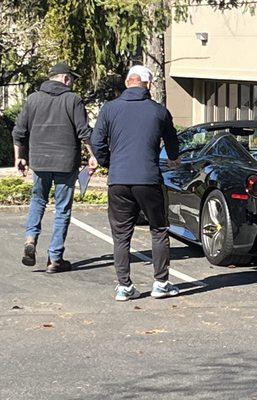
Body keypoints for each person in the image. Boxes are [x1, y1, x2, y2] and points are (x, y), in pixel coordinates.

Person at [91, 65, 181, 301]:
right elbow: (172, 141)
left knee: (121, 234)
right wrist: (173, 158)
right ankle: (161, 283)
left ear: (127, 82)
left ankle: (124, 286)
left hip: (118, 179)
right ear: (148, 84)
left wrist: (109, 163)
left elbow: (97, 141)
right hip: (148, 178)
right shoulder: (158, 111)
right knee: (159, 229)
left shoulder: (109, 109)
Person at [12, 62, 98, 273]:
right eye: (72, 79)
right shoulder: (73, 99)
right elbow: (83, 131)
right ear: (65, 78)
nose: (72, 83)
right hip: (66, 162)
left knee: (38, 200)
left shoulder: (33, 99)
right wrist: (93, 155)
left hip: (39, 161)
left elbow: (19, 131)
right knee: (62, 209)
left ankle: (31, 239)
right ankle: (55, 258)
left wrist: (19, 157)